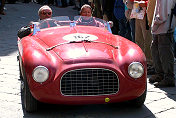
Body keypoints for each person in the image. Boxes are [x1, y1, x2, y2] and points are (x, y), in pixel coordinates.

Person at [149, 0, 176, 87]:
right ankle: (160, 74)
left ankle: (169, 77)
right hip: (161, 25)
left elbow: (164, 13)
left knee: (165, 52)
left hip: (165, 25)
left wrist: (156, 22)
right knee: (156, 49)